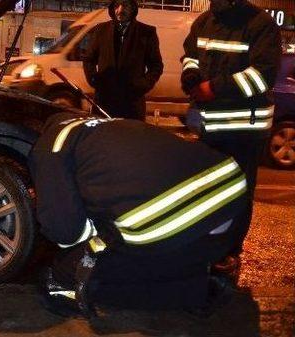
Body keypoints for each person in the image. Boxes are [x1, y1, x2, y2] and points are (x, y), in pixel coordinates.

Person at [29, 113, 249, 317]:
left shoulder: (49, 147)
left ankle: (200, 288)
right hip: (236, 207)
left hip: (185, 235)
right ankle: (208, 263)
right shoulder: (112, 124)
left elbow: (65, 232)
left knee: (66, 272)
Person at [180, 0, 281, 278]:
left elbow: (263, 76)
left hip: (244, 130)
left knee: (237, 192)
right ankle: (208, 245)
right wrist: (190, 75)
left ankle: (229, 253)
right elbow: (190, 54)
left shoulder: (260, 24)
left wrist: (212, 89)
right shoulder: (205, 21)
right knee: (208, 190)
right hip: (210, 127)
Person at [82, 0, 163, 121]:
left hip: (132, 105)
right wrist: (95, 80)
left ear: (133, 8)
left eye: (125, 5)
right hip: (105, 102)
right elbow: (89, 59)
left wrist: (143, 85)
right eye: (116, 6)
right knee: (103, 138)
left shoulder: (146, 32)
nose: (120, 10)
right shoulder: (101, 30)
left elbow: (156, 65)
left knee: (129, 139)